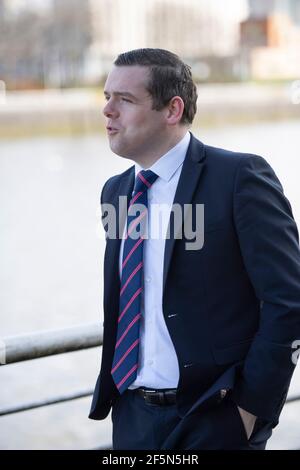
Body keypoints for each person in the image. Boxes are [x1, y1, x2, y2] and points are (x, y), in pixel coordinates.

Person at [89, 48, 300, 450]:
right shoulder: (115, 192)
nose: (108, 111)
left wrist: (249, 411)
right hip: (132, 417)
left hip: (214, 414)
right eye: (107, 97)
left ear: (172, 110)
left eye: (125, 100)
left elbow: (288, 301)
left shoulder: (238, 178)